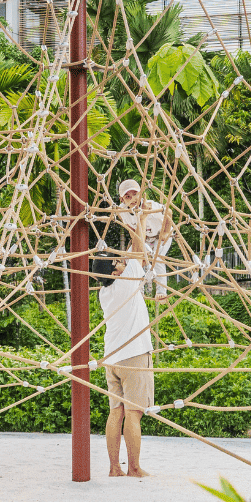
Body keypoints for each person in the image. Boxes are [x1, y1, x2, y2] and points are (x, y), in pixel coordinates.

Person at [99, 179, 160, 478]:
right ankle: (134, 467)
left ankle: (114, 467)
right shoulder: (127, 280)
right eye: (117, 261)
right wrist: (144, 218)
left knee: (115, 413)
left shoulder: (104, 292)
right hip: (134, 356)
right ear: (115, 271)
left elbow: (134, 254)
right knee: (133, 414)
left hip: (112, 358)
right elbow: (139, 247)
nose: (122, 260)